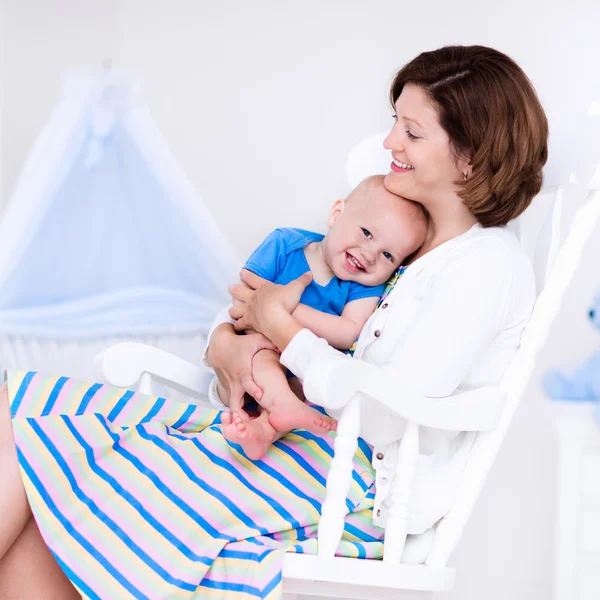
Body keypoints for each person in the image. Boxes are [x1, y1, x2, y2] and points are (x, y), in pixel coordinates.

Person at [0, 45, 548, 599]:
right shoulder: (392, 231)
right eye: (394, 125)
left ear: (470, 158)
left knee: (50, 461)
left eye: (411, 132)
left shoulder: (486, 267)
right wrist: (227, 345)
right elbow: (265, 296)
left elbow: (384, 415)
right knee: (24, 420)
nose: (390, 144)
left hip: (350, 479)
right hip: (291, 441)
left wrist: (282, 333)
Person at [218, 175, 428, 460]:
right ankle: (281, 410)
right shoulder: (286, 242)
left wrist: (284, 309)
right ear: (336, 213)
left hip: (299, 379)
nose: (369, 254)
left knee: (314, 385)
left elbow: (349, 332)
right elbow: (246, 285)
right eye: (366, 233)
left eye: (388, 255)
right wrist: (273, 314)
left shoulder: (365, 286)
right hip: (245, 367)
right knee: (261, 349)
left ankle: (264, 431)